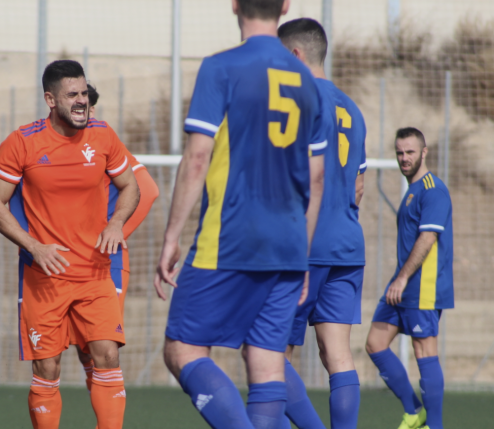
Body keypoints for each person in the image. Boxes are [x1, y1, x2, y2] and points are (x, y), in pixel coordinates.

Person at [154, 0, 328, 427]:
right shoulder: (308, 80)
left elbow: (197, 158)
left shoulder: (221, 67)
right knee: (268, 365)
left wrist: (171, 235)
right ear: (285, 5)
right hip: (288, 244)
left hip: (229, 238)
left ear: (234, 4)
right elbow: (317, 177)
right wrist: (303, 254)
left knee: (183, 350)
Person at [0, 60, 140, 429]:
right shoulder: (22, 142)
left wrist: (117, 222)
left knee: (106, 356)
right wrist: (34, 247)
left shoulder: (103, 136)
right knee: (47, 367)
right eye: (73, 94)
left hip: (95, 274)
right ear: (50, 99)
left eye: (84, 93)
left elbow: (131, 186)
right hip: (44, 278)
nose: (82, 100)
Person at [276, 18, 368, 429]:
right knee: (338, 355)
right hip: (348, 243)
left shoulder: (293, 104)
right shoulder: (352, 108)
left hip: (304, 244)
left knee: (271, 354)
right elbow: (359, 186)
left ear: (295, 55)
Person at [71, 83, 160, 394]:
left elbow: (147, 190)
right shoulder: (50, 143)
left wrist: (114, 233)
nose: (87, 112)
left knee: (103, 351)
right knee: (82, 350)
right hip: (65, 262)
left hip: (104, 262)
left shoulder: (104, 142)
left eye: (91, 107)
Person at [365, 127, 453, 429]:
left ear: (424, 152)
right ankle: (414, 411)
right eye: (400, 152)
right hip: (402, 283)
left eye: (410, 152)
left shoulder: (433, 190)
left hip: (422, 285)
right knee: (375, 343)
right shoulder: (411, 191)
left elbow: (427, 238)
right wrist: (399, 279)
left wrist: (401, 279)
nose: (404, 158)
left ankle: (435, 425)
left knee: (423, 351)